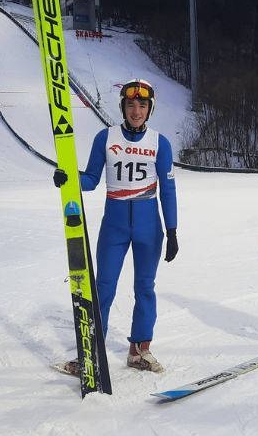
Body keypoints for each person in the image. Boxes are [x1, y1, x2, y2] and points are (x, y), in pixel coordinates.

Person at [53, 79, 178, 374]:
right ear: (123, 107)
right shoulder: (105, 138)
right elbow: (90, 180)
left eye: (142, 105)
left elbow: (168, 189)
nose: (136, 111)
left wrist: (172, 230)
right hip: (115, 225)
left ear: (150, 109)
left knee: (145, 287)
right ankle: (92, 351)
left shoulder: (160, 143)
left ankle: (139, 351)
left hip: (149, 225)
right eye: (131, 105)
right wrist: (68, 178)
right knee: (104, 286)